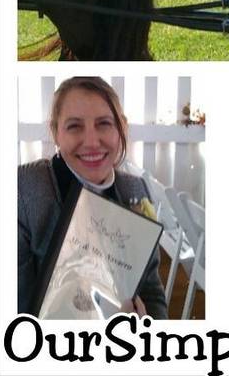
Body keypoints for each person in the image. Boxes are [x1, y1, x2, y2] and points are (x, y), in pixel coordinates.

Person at [18, 77, 168, 319]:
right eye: (74, 126)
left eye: (104, 124)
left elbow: (151, 291)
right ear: (55, 132)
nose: (91, 142)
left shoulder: (135, 190)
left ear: (121, 129)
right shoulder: (24, 190)